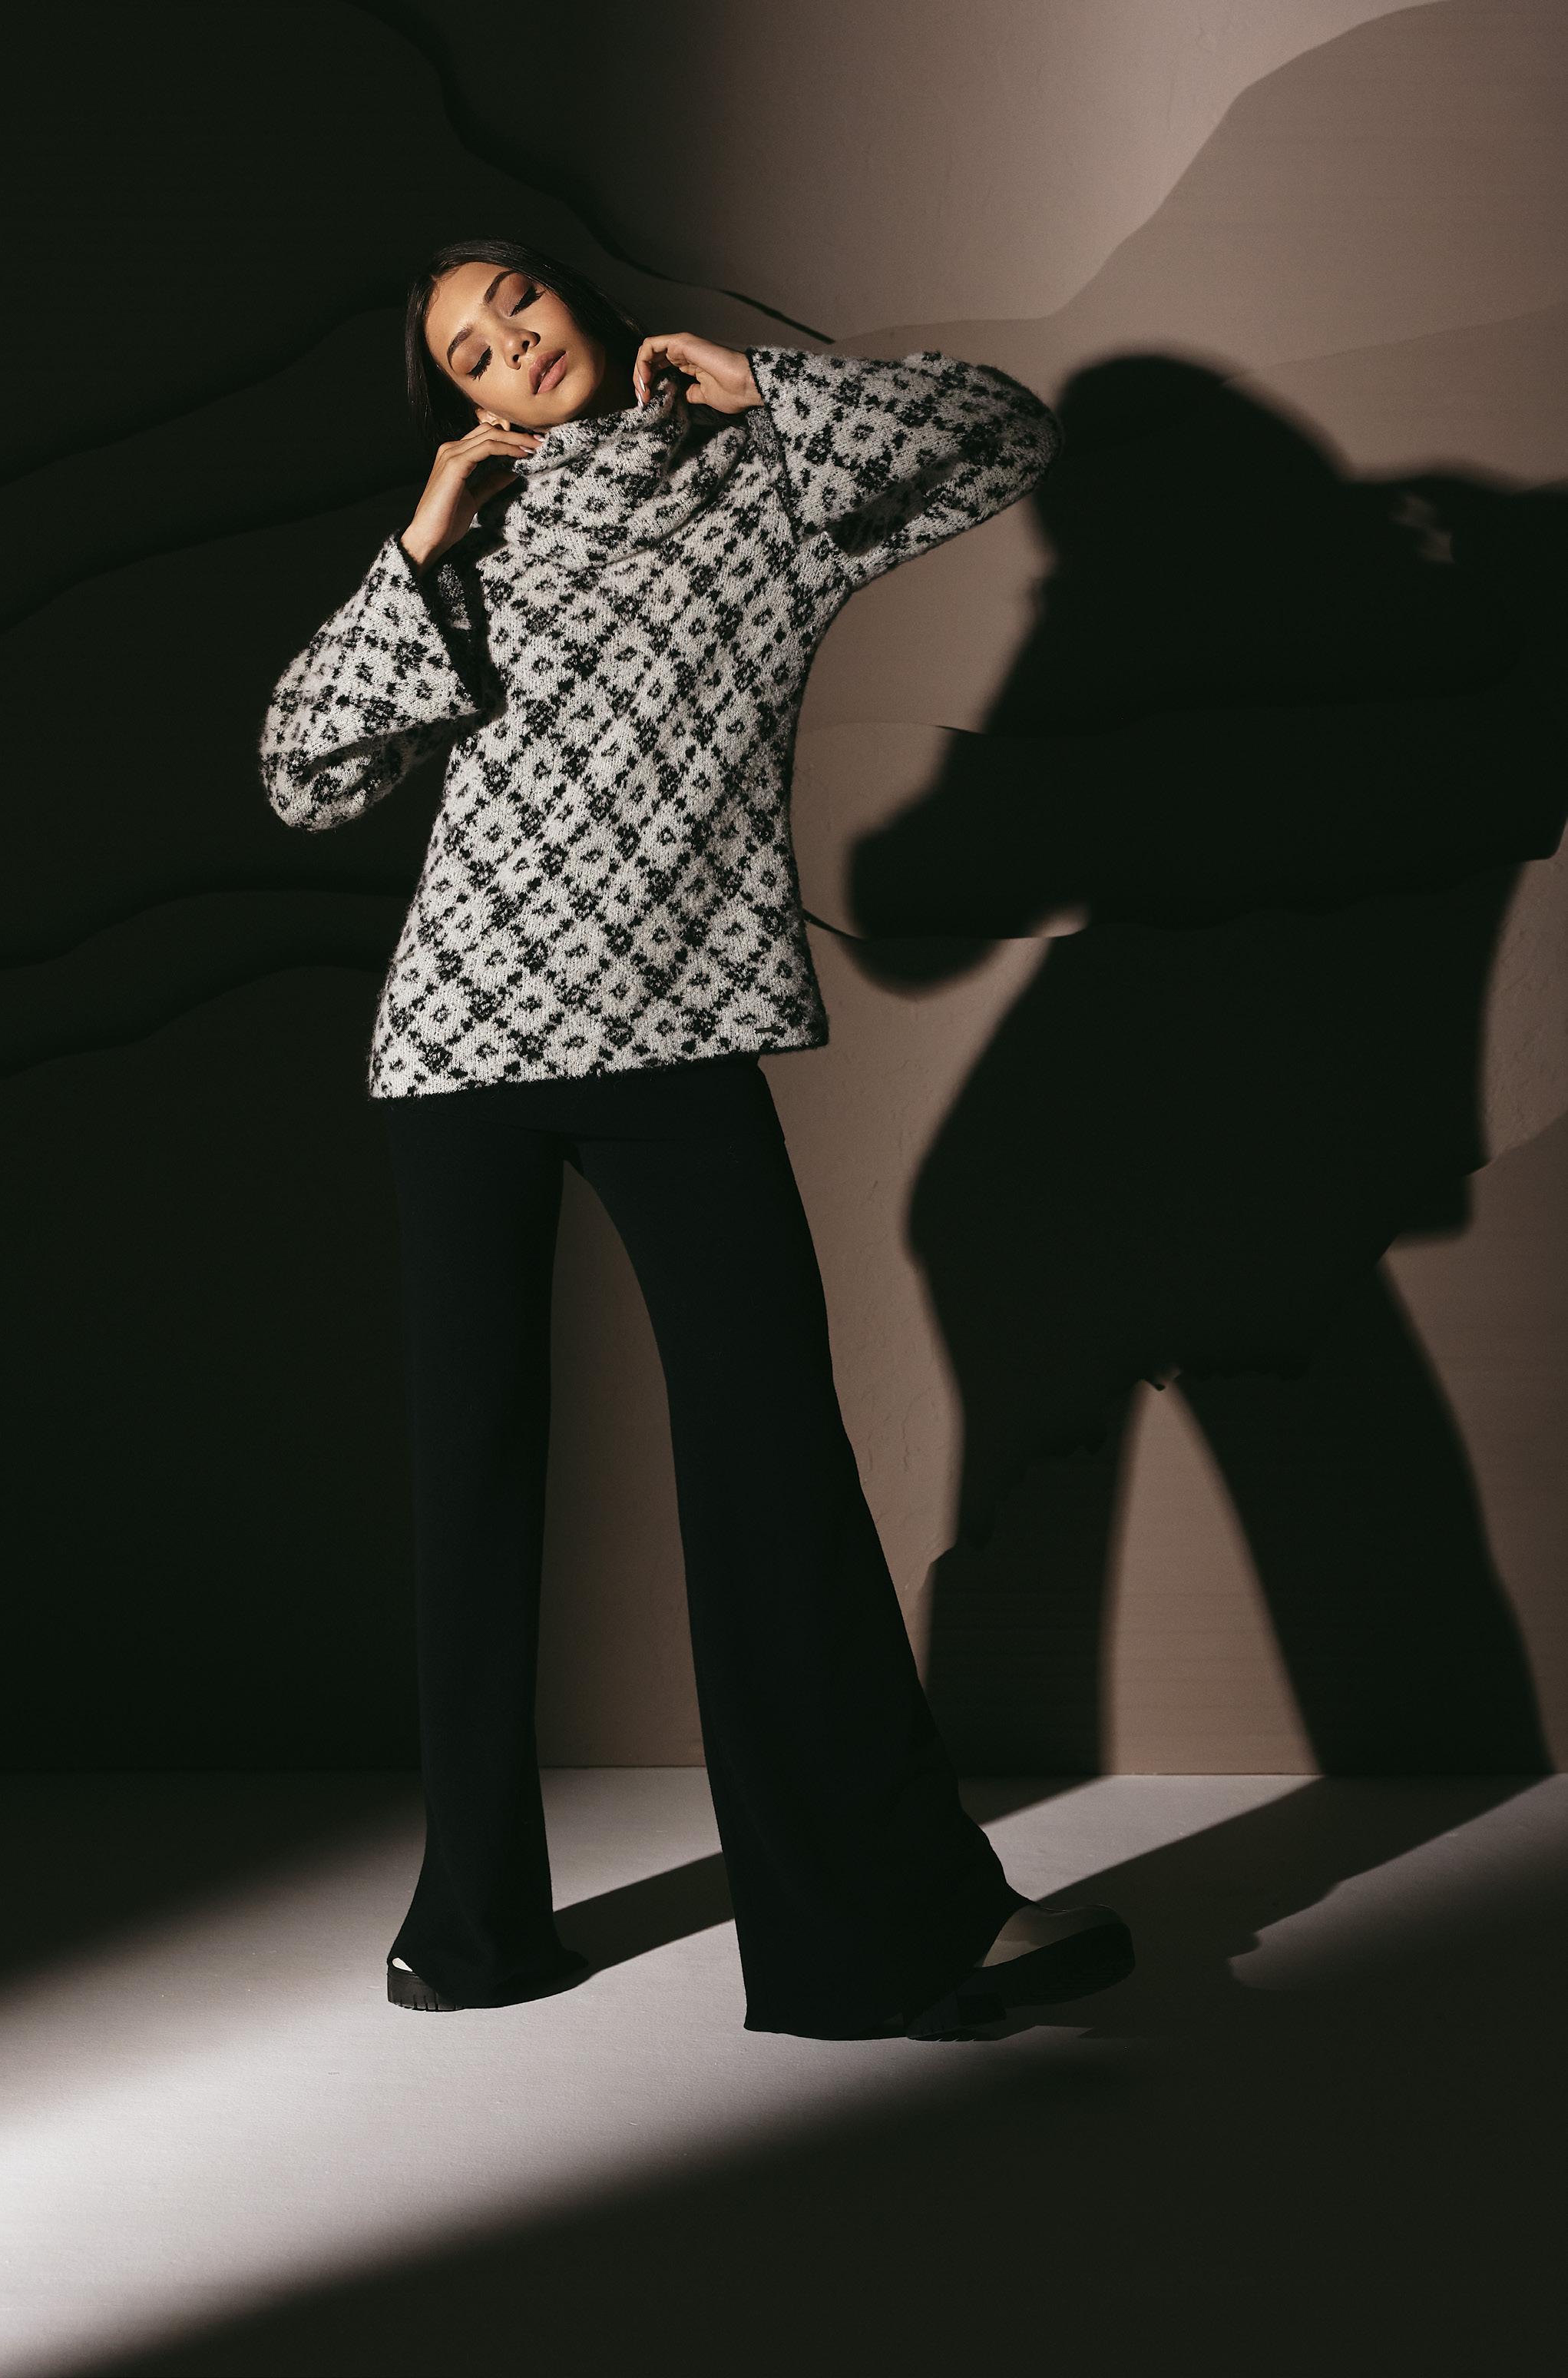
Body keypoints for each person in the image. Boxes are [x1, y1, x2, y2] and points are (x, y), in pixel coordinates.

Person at [257, 236, 1133, 2041]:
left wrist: (772, 385)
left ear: (575, 301)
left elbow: (1003, 433)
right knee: (473, 1487)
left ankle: (879, 1937)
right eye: (467, 355)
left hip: (673, 1027)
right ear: (462, 404)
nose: (508, 348)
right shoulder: (469, 551)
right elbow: (305, 772)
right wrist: (418, 543)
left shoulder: (765, 486)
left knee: (772, 1464)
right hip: (459, 1044)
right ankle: (468, 1930)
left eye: (516, 305)